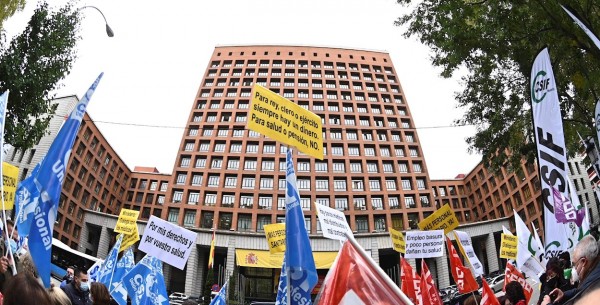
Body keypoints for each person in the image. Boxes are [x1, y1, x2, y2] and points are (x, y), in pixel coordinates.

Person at [547, 235, 600, 305]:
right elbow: (580, 290)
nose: (574, 269)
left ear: (583, 262)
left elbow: (582, 296)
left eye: (574, 264)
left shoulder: (594, 287)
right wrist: (564, 295)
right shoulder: (594, 270)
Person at [0, 220, 21, 293]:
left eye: (15, 239)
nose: (12, 241)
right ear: (3, 234)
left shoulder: (18, 260)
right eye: (10, 236)